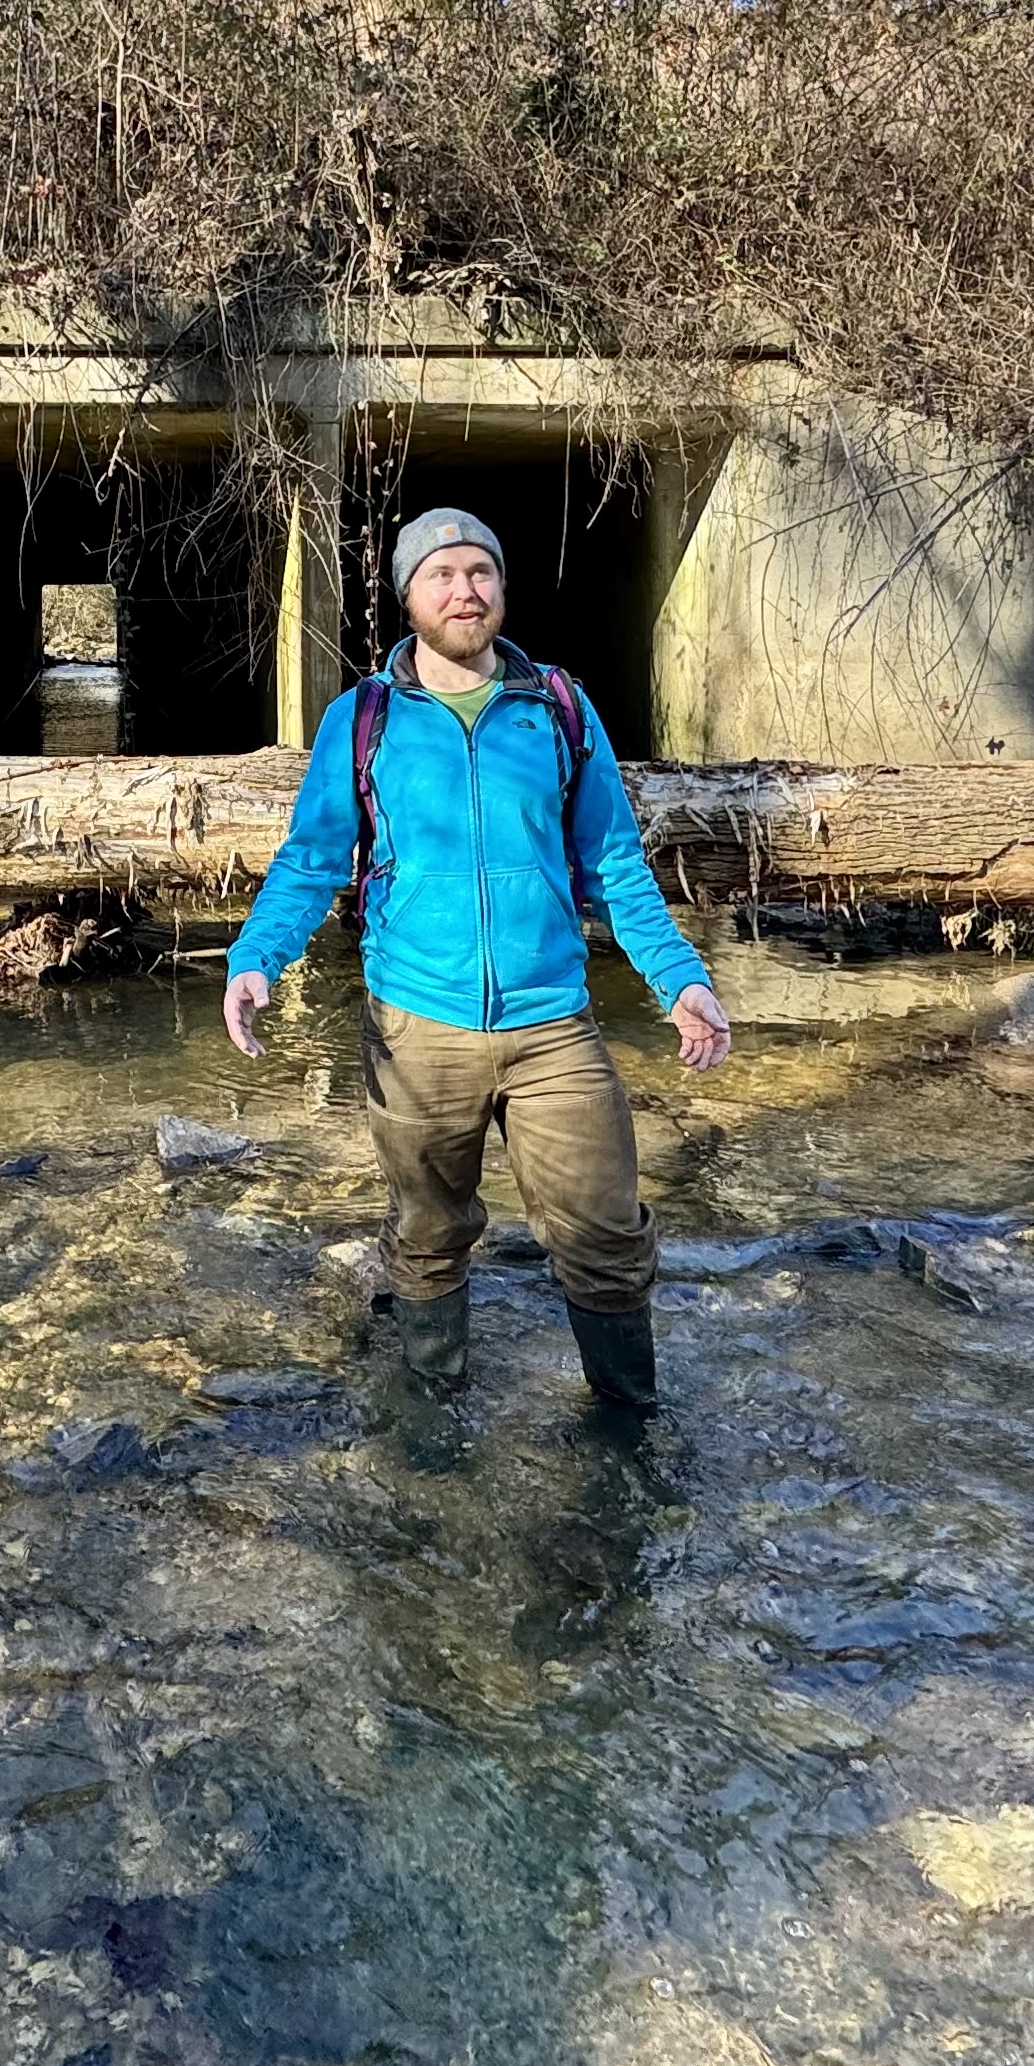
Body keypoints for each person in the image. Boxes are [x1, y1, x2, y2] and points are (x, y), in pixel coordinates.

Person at [220, 507, 732, 1414]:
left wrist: (681, 979)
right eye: (442, 575)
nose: (465, 590)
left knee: (606, 1237)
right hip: (417, 1025)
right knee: (425, 1235)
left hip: (552, 1026)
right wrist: (258, 959)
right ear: (408, 597)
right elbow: (312, 859)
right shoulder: (363, 719)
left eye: (481, 572)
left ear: (501, 587)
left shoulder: (559, 708)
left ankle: (628, 1428)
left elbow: (612, 860)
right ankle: (434, 1419)